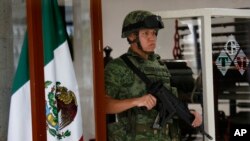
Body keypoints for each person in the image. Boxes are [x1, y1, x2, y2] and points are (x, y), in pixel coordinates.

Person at [105, 10, 202, 141]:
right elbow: (103, 105)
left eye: (154, 33)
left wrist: (187, 114)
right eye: (145, 33)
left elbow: (167, 105)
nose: (152, 38)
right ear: (132, 36)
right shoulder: (118, 67)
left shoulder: (160, 65)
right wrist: (136, 101)